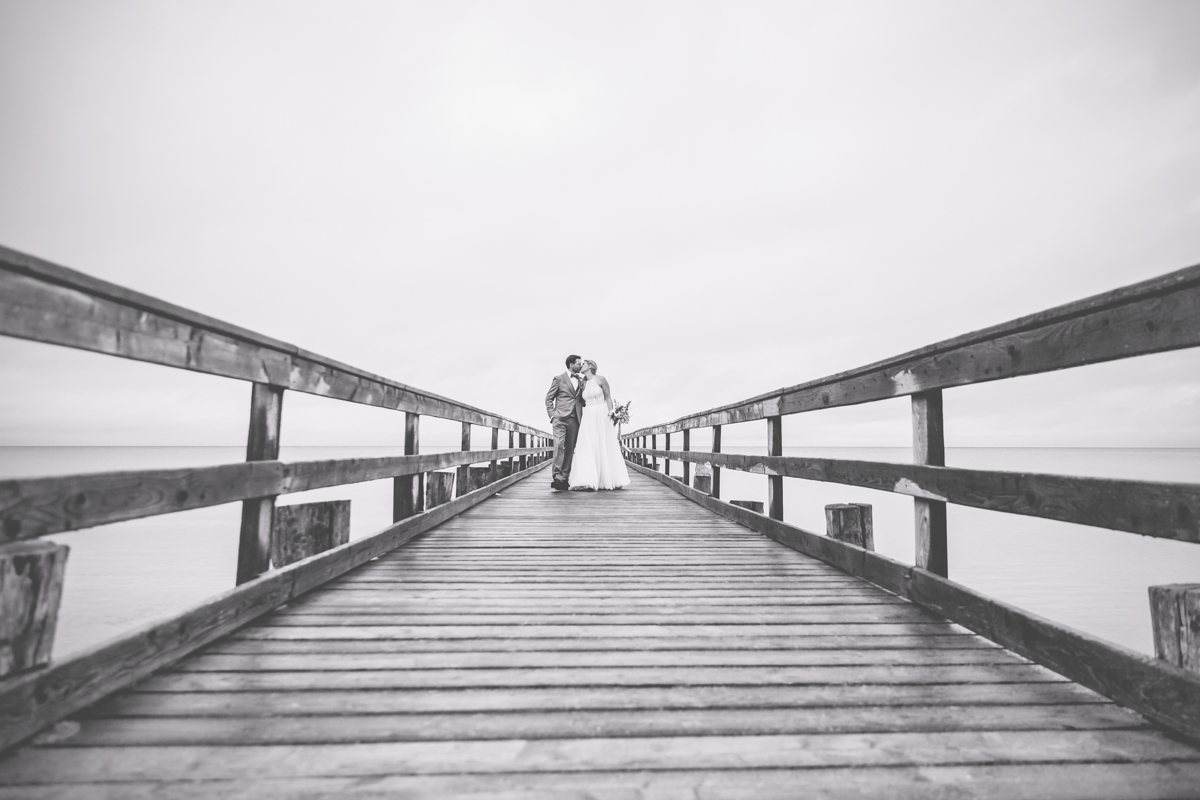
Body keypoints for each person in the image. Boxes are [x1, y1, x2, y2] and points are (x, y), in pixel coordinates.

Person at [568, 359, 630, 491]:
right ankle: (587, 479)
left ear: (590, 366)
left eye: (583, 364)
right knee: (587, 445)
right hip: (588, 416)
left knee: (603, 443)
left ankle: (607, 477)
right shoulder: (583, 383)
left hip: (601, 414)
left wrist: (612, 414)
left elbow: (608, 397)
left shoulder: (601, 379)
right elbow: (579, 401)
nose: (581, 366)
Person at [545, 354, 585, 491]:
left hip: (575, 419)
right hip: (560, 419)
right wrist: (552, 415)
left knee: (570, 449)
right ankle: (557, 477)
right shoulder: (558, 379)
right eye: (579, 364)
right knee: (558, 446)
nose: (581, 365)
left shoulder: (581, 380)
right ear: (571, 365)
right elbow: (548, 399)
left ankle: (564, 477)